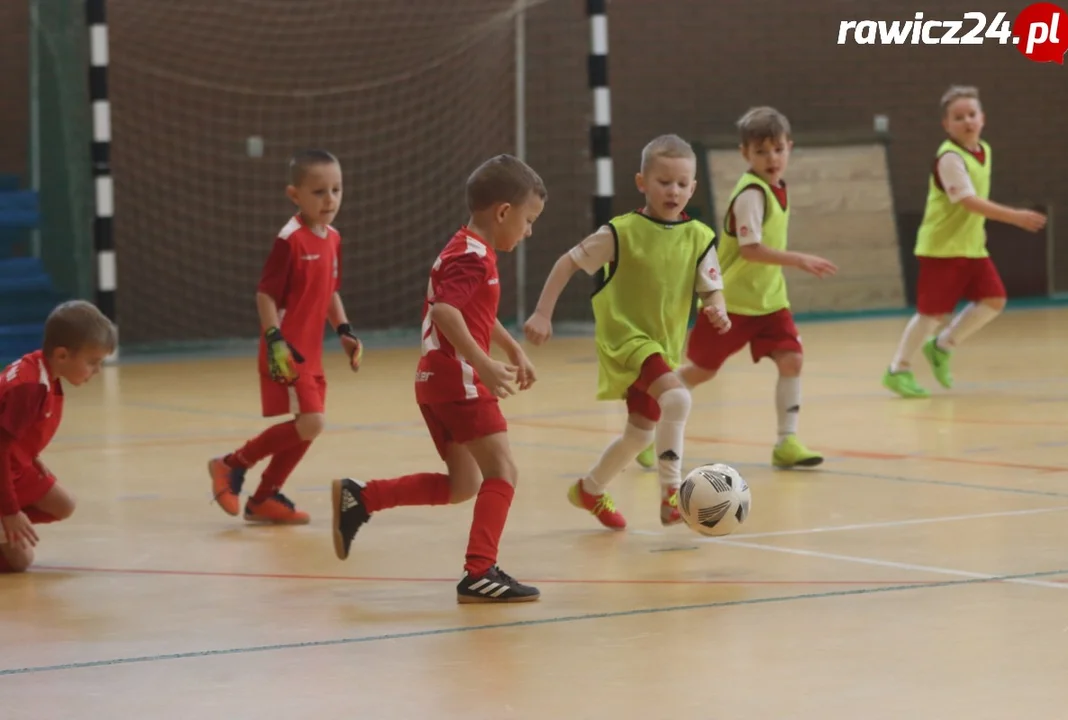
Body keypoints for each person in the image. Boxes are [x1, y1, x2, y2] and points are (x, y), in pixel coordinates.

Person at [331, 154, 546, 604]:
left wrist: (511, 348)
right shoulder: (473, 256)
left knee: (463, 485)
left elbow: (472, 312)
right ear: (503, 212)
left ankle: (362, 498)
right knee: (502, 471)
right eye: (528, 220)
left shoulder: (467, 248)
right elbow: (446, 312)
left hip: (435, 380)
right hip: (459, 380)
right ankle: (479, 571)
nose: (529, 232)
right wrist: (484, 364)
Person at [524, 134, 731, 530]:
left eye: (682, 184)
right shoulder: (620, 232)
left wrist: (717, 309)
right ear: (642, 182)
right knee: (678, 399)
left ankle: (590, 488)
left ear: (694, 188)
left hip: (663, 346)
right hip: (626, 340)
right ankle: (672, 493)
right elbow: (566, 263)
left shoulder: (700, 236)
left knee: (639, 436)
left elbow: (711, 287)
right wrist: (542, 313)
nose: (673, 191)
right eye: (663, 182)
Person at [661, 106, 836, 471]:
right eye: (760, 151)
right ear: (745, 154)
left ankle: (786, 442)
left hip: (770, 302)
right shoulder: (751, 195)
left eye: (777, 149)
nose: (771, 158)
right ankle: (649, 417)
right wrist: (800, 260)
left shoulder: (777, 189)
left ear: (789, 147)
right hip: (730, 302)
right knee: (702, 371)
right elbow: (750, 250)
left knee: (792, 360)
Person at [208, 149, 361, 524]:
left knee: (307, 428)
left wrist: (343, 330)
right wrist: (274, 339)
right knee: (312, 422)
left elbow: (330, 291)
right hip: (286, 350)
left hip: (312, 351)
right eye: (319, 192)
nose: (330, 200)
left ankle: (263, 499)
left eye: (337, 190)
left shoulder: (333, 238)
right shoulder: (289, 240)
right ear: (295, 195)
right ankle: (230, 464)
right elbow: (265, 295)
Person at [883, 85, 1046, 398]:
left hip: (971, 245)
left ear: (982, 118)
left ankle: (942, 346)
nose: (967, 121)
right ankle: (897, 369)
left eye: (972, 114)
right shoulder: (949, 158)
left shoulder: (984, 150)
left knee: (994, 300)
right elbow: (969, 201)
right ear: (946, 125)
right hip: (942, 248)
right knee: (931, 313)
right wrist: (1014, 216)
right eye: (959, 117)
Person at [0, 300, 117, 572]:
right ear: (63, 355)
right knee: (21, 561)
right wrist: (11, 512)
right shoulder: (31, 388)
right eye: (92, 362)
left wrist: (31, 456)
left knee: (63, 504)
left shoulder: (41, 370)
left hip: (15, 464)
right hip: (4, 466)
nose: (96, 371)